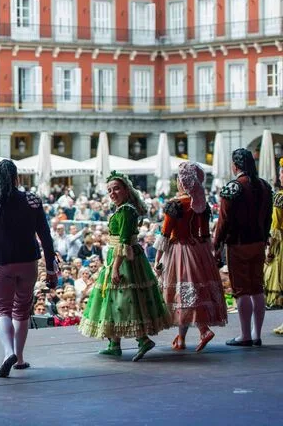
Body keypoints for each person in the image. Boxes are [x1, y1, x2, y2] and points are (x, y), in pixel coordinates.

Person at [0, 160, 57, 377]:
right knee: (21, 309)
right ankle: (19, 359)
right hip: (29, 262)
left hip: (2, 263)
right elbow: (45, 236)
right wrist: (51, 268)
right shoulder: (33, 202)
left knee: (2, 309)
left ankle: (8, 352)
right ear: (16, 177)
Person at [79, 171, 172, 361]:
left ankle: (142, 339)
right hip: (120, 257)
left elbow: (124, 241)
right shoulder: (123, 209)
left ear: (126, 190)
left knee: (126, 299)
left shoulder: (127, 210)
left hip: (124, 260)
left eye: (116, 189)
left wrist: (114, 267)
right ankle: (115, 344)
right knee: (115, 299)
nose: (112, 193)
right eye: (109, 190)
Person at [153, 162, 227, 352]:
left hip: (179, 251)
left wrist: (157, 259)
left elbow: (164, 235)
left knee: (183, 294)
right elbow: (204, 234)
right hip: (199, 251)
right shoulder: (201, 204)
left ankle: (203, 330)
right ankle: (181, 339)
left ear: (183, 182)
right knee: (189, 293)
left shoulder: (175, 205)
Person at [214, 148, 273, 346]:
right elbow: (268, 218)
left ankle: (245, 334)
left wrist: (216, 244)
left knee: (241, 290)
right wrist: (265, 238)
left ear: (235, 165)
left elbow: (223, 221)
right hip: (258, 242)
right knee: (257, 287)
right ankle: (257, 334)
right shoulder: (265, 186)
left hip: (238, 243)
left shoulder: (233, 187)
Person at [265, 160, 283, 323]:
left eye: (281, 173)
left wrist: (269, 251)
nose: (280, 176)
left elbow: (275, 226)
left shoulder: (279, 198)